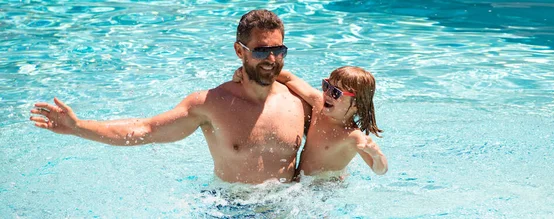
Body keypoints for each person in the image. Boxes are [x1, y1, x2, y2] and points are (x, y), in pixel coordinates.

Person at [29, 9, 310, 184]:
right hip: (228, 208)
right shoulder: (211, 104)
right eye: (261, 51)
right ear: (240, 52)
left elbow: (332, 145)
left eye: (279, 50)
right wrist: (79, 128)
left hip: (285, 208)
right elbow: (146, 129)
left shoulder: (298, 102)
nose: (272, 59)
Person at [234, 66, 388, 180]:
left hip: (324, 190)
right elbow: (289, 79)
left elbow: (380, 170)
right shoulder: (317, 104)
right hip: (299, 182)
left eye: (336, 92)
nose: (327, 94)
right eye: (327, 86)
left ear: (357, 104)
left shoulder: (352, 136)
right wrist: (249, 74)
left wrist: (376, 153)